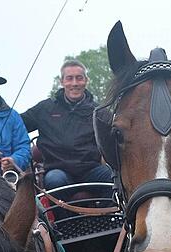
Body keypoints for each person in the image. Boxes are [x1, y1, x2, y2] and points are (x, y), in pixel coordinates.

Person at [21, 60, 112, 191]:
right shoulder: (44, 108)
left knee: (111, 178)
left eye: (79, 78)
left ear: (86, 80)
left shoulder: (99, 112)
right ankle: (58, 213)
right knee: (54, 180)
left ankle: (109, 212)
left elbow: (119, 134)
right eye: (69, 78)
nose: (74, 83)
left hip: (91, 170)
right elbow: (16, 126)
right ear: (62, 81)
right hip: (57, 171)